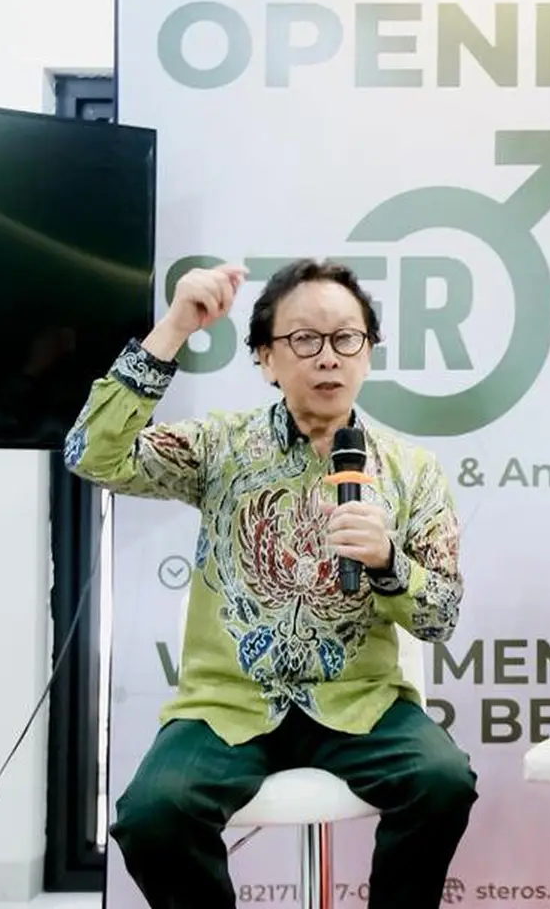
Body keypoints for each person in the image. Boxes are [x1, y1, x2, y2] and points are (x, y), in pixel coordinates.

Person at [64, 259, 477, 909]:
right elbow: (91, 453)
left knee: (442, 780)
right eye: (304, 340)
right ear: (265, 359)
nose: (328, 358)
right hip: (229, 704)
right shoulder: (219, 449)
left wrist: (390, 562)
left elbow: (440, 617)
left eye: (347, 339)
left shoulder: (410, 470)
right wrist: (173, 328)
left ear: (368, 353)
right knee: (151, 813)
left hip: (360, 703)